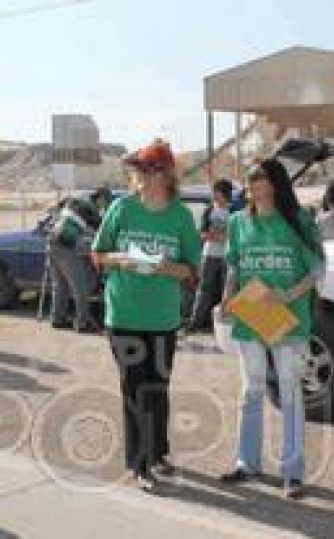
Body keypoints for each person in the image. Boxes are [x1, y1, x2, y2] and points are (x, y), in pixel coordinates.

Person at [91, 139, 201, 493]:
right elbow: (98, 254)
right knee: (135, 389)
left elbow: (193, 270)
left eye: (153, 169)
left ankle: (158, 451)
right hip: (123, 316)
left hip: (163, 319)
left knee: (158, 388)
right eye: (140, 170)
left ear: (167, 174)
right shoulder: (121, 209)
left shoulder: (180, 216)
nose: (145, 176)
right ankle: (140, 463)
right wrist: (120, 259)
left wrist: (169, 268)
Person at [219, 158, 325, 500]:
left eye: (259, 177)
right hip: (251, 312)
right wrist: (226, 298)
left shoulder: (299, 220)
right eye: (249, 178)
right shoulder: (237, 222)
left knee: (290, 392)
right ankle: (246, 462)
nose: (252, 183)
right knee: (251, 388)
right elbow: (234, 266)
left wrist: (288, 295)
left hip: (288, 318)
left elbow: (318, 270)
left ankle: (292, 472)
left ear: (275, 182)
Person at [48, 194, 102, 332]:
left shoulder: (72, 201)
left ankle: (57, 319)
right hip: (66, 246)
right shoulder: (91, 210)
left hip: (52, 242)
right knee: (80, 288)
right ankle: (82, 323)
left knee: (60, 286)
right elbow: (100, 232)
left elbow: (54, 210)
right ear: (99, 201)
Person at [189, 179, 233, 331]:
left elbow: (233, 236)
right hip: (209, 255)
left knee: (226, 289)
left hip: (228, 256)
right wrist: (219, 236)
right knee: (204, 289)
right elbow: (202, 233)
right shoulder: (209, 210)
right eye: (214, 192)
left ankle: (224, 323)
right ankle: (195, 323)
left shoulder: (233, 211)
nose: (215, 195)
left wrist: (218, 236)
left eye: (218, 192)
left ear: (225, 194)